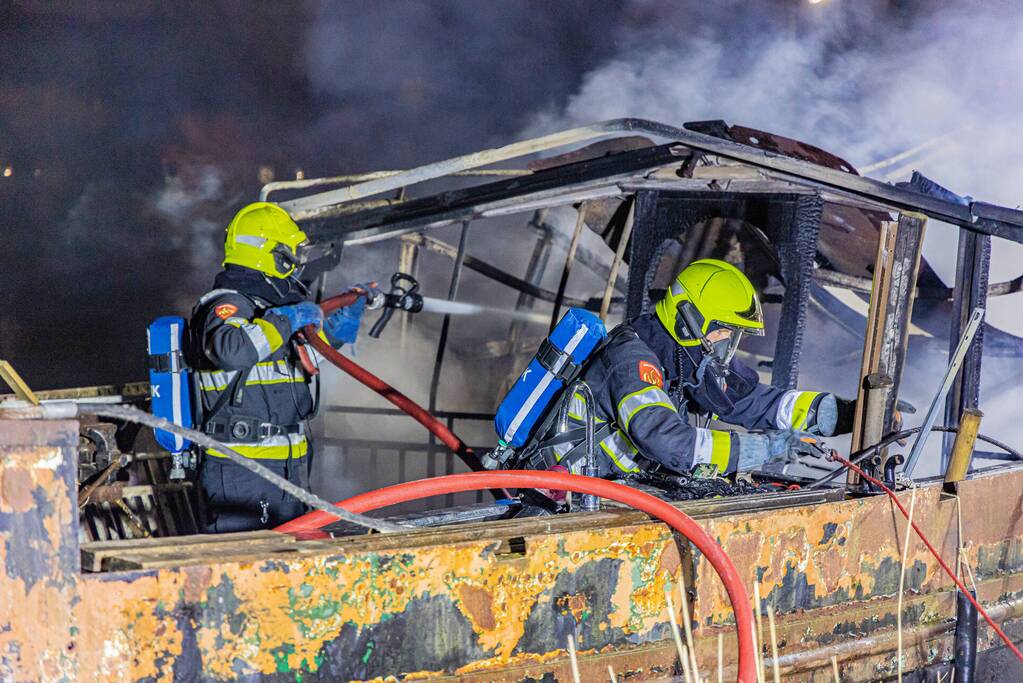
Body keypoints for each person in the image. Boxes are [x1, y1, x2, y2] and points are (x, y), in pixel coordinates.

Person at [541, 258, 855, 477]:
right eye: (723, 330)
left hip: (611, 491)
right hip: (568, 499)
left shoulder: (685, 357)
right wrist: (769, 447)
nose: (728, 341)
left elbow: (755, 402)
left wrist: (847, 414)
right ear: (688, 320)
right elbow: (666, 440)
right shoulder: (631, 361)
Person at [189, 202, 364, 532]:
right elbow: (231, 350)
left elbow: (295, 363)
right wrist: (286, 319)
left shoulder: (268, 313)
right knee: (249, 566)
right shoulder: (228, 304)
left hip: (287, 464)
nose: (297, 263)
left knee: (290, 562)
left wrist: (335, 334)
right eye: (291, 253)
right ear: (271, 253)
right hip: (243, 469)